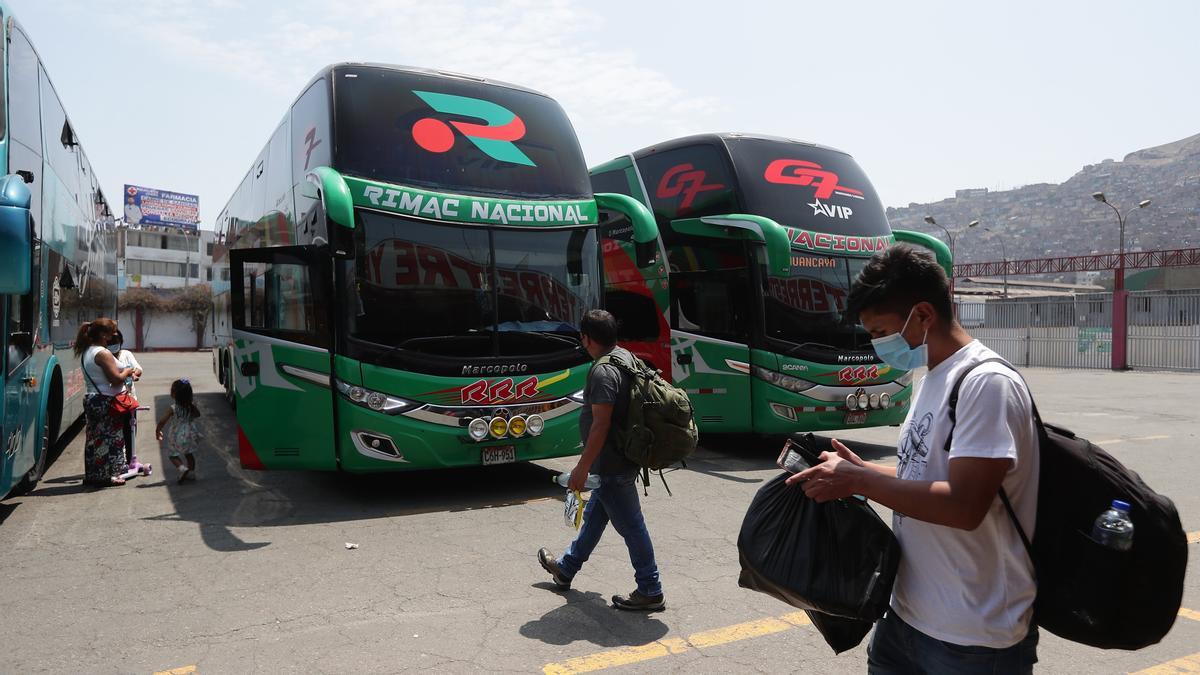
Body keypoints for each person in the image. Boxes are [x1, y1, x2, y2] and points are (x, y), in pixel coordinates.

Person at [786, 244, 1040, 673]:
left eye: (881, 330)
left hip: (972, 637)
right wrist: (862, 470)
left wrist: (860, 482)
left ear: (923, 314)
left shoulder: (986, 384)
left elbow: (964, 505)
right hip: (906, 617)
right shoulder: (930, 381)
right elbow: (922, 475)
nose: (876, 343)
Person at [537, 310, 664, 612]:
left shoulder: (603, 371)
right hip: (619, 460)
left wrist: (582, 468)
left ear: (587, 338)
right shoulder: (625, 356)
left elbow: (601, 425)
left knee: (633, 527)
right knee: (596, 515)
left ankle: (650, 588)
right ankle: (566, 569)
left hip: (612, 464)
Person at [75, 318, 136, 487]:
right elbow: (115, 379)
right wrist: (128, 371)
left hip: (93, 398)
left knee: (94, 438)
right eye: (112, 331)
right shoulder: (102, 353)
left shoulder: (88, 350)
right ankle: (106, 475)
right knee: (109, 438)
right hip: (106, 401)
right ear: (103, 334)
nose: (115, 334)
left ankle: (93, 474)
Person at [110, 330, 151, 480]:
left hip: (129, 400)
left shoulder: (126, 354)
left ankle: (129, 460)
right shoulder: (104, 357)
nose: (114, 346)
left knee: (130, 431)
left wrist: (135, 374)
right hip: (113, 401)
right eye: (111, 343)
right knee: (116, 433)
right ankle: (118, 463)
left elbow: (138, 368)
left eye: (116, 343)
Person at [156, 379, 202, 484]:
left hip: (176, 435)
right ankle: (191, 473)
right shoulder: (190, 407)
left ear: (174, 394)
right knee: (189, 454)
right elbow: (198, 414)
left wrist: (158, 430)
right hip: (189, 434)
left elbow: (162, 421)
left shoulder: (173, 408)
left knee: (173, 455)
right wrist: (191, 406)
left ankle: (181, 468)